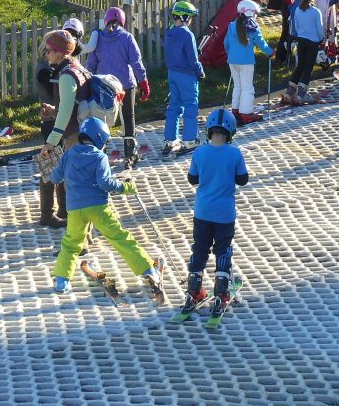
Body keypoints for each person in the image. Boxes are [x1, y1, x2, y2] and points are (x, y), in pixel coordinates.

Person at [50, 117, 164, 298]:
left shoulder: (68, 154)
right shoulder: (100, 156)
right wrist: (125, 187)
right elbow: (104, 183)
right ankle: (148, 270)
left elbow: (55, 178)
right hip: (98, 207)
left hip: (75, 209)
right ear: (100, 139)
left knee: (71, 243)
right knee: (120, 238)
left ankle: (62, 280)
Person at [180, 108, 250, 320]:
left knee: (200, 248)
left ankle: (194, 290)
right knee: (222, 249)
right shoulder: (235, 153)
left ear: (209, 130)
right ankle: (221, 291)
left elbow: (192, 179)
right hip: (224, 214)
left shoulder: (199, 152)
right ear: (231, 132)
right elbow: (243, 179)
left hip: (202, 212)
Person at [36, 29, 92, 228]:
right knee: (84, 185)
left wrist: (50, 143)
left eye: (49, 50)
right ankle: (85, 233)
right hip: (87, 132)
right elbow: (73, 104)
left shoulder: (66, 75)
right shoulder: (77, 67)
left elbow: (66, 113)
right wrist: (54, 110)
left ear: (60, 52)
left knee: (76, 188)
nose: (46, 54)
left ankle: (81, 239)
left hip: (75, 137)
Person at [87, 6, 150, 169]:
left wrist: (88, 82)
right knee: (128, 118)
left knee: (103, 119)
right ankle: (130, 153)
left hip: (104, 86)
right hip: (125, 86)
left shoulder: (98, 38)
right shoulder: (127, 38)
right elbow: (136, 62)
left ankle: (101, 152)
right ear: (122, 21)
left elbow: (91, 63)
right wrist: (143, 81)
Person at [164, 1, 206, 156]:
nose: (191, 20)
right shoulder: (188, 34)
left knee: (174, 106)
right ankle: (189, 140)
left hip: (172, 73)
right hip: (187, 75)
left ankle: (170, 140)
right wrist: (200, 72)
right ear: (184, 16)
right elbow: (193, 60)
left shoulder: (169, 31)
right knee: (190, 107)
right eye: (191, 17)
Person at [225, 0, 273, 125]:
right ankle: (246, 113)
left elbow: (226, 43)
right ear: (251, 13)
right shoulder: (253, 27)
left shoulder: (231, 25)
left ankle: (235, 110)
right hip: (246, 61)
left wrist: (230, 54)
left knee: (238, 86)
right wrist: (270, 52)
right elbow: (260, 42)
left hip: (232, 60)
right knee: (247, 88)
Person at [287, 0, 324, 105]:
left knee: (300, 66)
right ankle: (301, 94)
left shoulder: (297, 10)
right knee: (308, 68)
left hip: (301, 41)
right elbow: (320, 29)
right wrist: (321, 39)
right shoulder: (316, 11)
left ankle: (289, 92)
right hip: (312, 42)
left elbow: (296, 26)